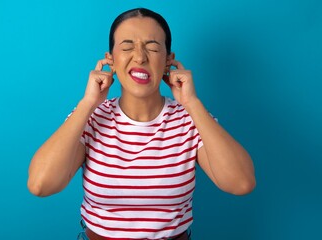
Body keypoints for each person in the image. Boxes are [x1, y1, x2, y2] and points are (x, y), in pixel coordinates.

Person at [27, 7, 256, 240]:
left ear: (168, 60)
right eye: (127, 47)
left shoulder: (190, 118)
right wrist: (88, 103)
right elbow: (40, 185)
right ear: (111, 60)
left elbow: (241, 183)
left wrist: (192, 103)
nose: (140, 57)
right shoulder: (90, 117)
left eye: (153, 47)